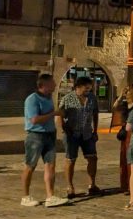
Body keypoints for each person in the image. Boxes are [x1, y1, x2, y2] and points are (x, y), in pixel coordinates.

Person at [21, 74, 68, 207]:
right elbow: (34, 120)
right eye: (52, 83)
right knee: (30, 166)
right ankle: (25, 197)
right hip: (35, 136)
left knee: (50, 165)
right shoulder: (32, 99)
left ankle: (50, 196)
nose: (55, 85)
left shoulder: (49, 98)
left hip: (49, 135)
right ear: (44, 85)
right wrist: (54, 114)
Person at [57, 76, 101, 199]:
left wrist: (95, 131)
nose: (88, 91)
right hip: (72, 134)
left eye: (89, 89)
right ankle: (70, 186)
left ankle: (92, 184)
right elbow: (60, 114)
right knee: (70, 160)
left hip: (87, 133)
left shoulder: (92, 98)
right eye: (86, 89)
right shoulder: (67, 98)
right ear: (78, 87)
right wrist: (64, 129)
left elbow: (95, 113)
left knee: (92, 158)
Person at [112, 85, 133, 193]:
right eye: (126, 91)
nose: (127, 93)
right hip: (125, 133)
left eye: (128, 91)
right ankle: (125, 184)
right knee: (124, 158)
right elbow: (115, 107)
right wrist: (120, 96)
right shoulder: (124, 104)